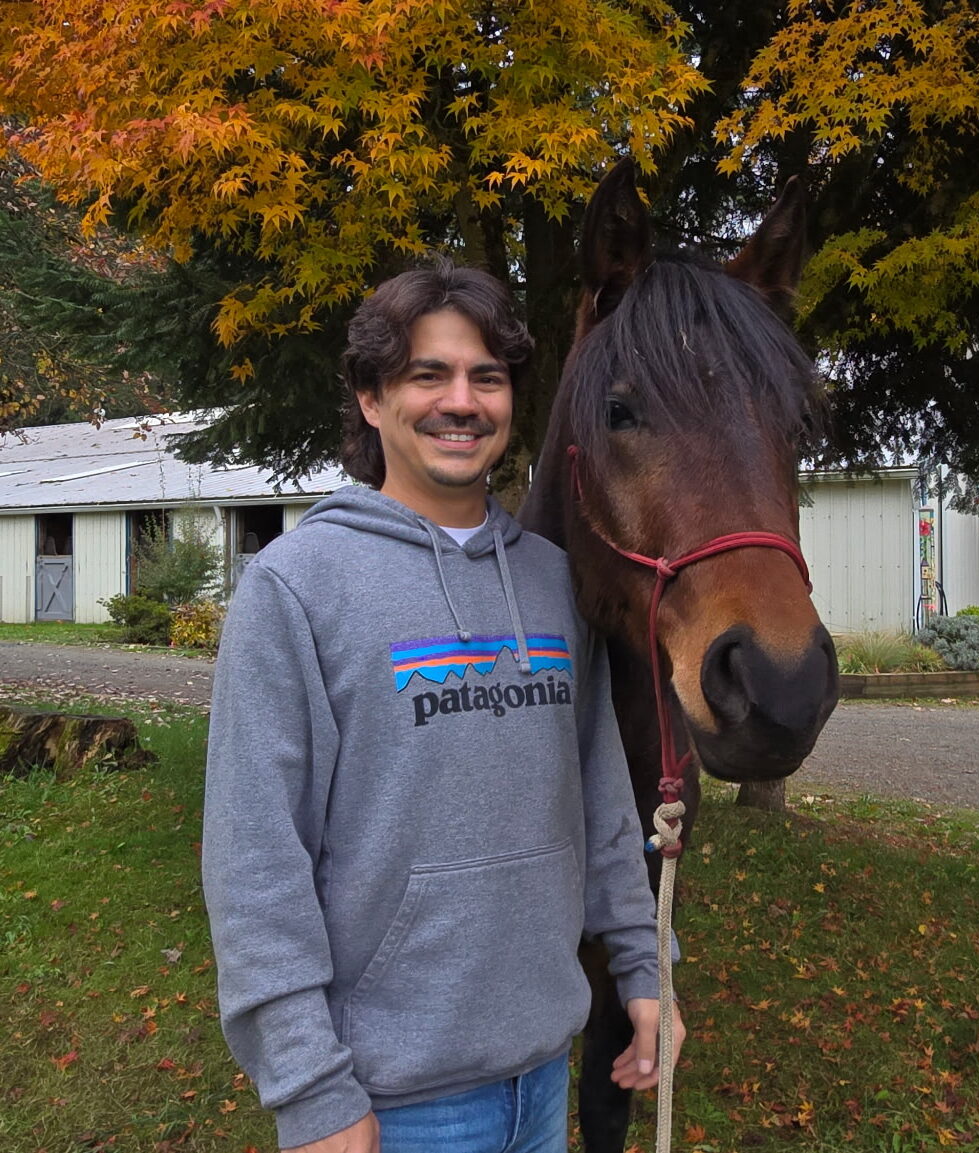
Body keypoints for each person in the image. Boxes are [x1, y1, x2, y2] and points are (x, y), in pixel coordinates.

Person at [201, 259, 684, 1153]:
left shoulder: (554, 583)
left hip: (543, 1078)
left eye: (486, 377)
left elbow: (601, 798)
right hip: (392, 1105)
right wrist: (310, 1088)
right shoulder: (295, 587)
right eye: (429, 374)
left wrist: (643, 963)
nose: (461, 401)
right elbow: (254, 860)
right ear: (371, 397)